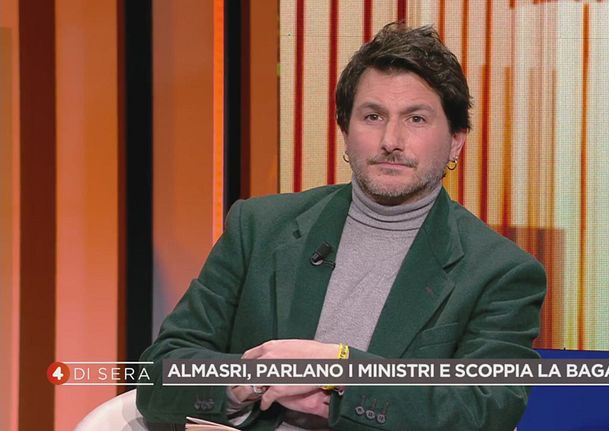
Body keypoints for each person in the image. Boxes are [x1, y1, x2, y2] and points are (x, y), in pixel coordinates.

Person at [137, 22, 546, 430]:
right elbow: (160, 372)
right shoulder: (258, 227)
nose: (391, 140)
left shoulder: (500, 272)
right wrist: (248, 379)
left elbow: (484, 409)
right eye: (373, 116)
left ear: (456, 140)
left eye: (416, 119)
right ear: (345, 131)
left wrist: (341, 372)